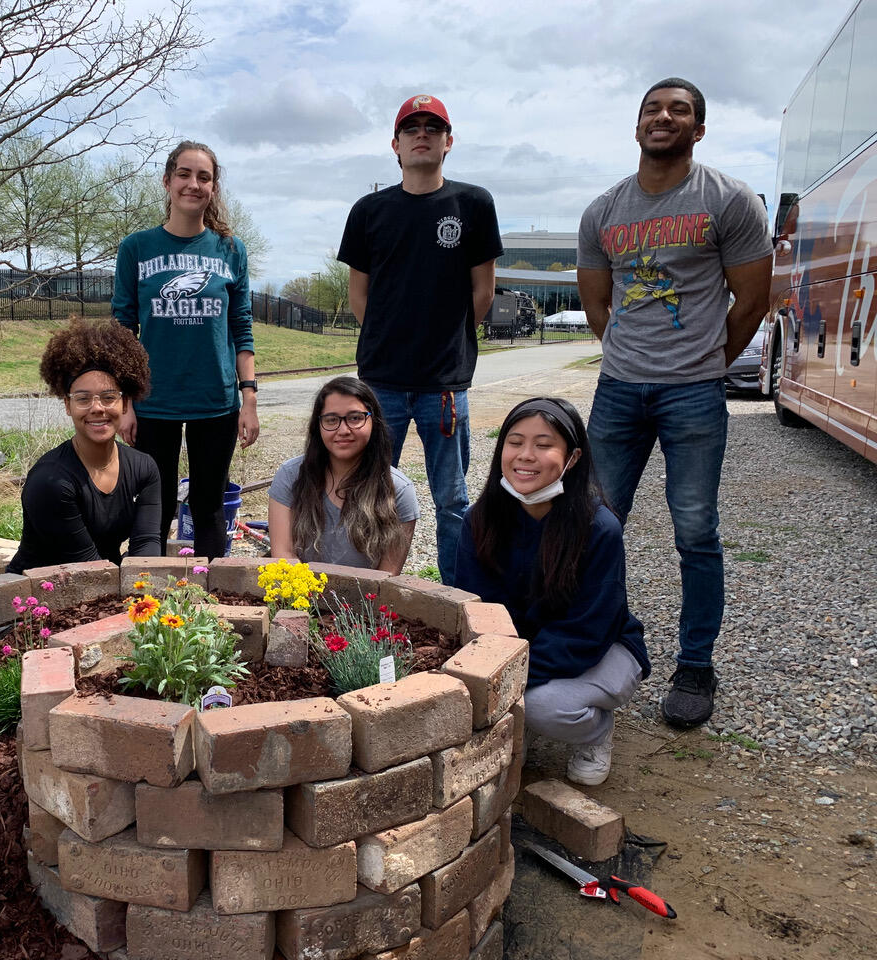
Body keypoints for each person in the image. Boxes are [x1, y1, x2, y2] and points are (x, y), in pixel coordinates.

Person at [576, 77, 772, 728]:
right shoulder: (604, 210)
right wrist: (629, 355)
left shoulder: (730, 200)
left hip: (693, 393)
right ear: (637, 127)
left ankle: (695, 665)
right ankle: (589, 641)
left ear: (698, 129)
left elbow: (751, 301)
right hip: (619, 392)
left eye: (679, 110)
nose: (664, 116)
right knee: (596, 525)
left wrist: (708, 364)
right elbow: (597, 303)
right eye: (653, 109)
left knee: (696, 531)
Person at [338, 94, 503, 586]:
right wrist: (392, 341)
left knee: (451, 500)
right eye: (412, 128)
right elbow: (359, 298)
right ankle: (365, 591)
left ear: (449, 142)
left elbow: (483, 292)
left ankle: (456, 596)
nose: (422, 134)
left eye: (434, 127)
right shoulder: (370, 210)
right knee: (370, 493)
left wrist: (442, 341)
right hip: (381, 385)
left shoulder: (473, 204)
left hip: (445, 387)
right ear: (396, 144)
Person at [454, 397, 650, 786]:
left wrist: (511, 679)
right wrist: (493, 674)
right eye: (514, 442)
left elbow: (588, 632)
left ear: (572, 458)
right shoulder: (481, 520)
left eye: (544, 445)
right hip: (525, 651)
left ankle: (595, 733)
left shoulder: (599, 528)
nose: (526, 456)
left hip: (601, 649)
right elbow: (475, 608)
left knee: (544, 708)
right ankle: (518, 714)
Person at [113, 140, 258, 558]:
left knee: (209, 506)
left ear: (213, 187)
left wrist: (248, 399)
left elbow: (241, 328)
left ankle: (210, 602)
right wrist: (126, 401)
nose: (193, 184)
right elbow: (123, 330)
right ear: (167, 180)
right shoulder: (136, 249)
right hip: (154, 401)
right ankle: (149, 605)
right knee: (153, 510)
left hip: (215, 401)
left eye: (204, 177)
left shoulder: (231, 250)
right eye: (184, 174)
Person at [6, 320, 161, 571]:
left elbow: (147, 543)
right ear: (68, 406)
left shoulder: (144, 468)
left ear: (125, 404)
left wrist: (144, 589)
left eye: (109, 397)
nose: (97, 408)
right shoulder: (51, 481)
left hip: (102, 583)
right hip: (39, 594)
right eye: (83, 399)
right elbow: (86, 565)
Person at [268, 376, 419, 574]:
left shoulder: (399, 491)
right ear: (318, 425)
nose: (343, 430)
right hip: (299, 597)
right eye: (331, 420)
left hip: (366, 602)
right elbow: (283, 556)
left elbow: (386, 579)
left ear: (374, 421)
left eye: (355, 418)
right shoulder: (290, 476)